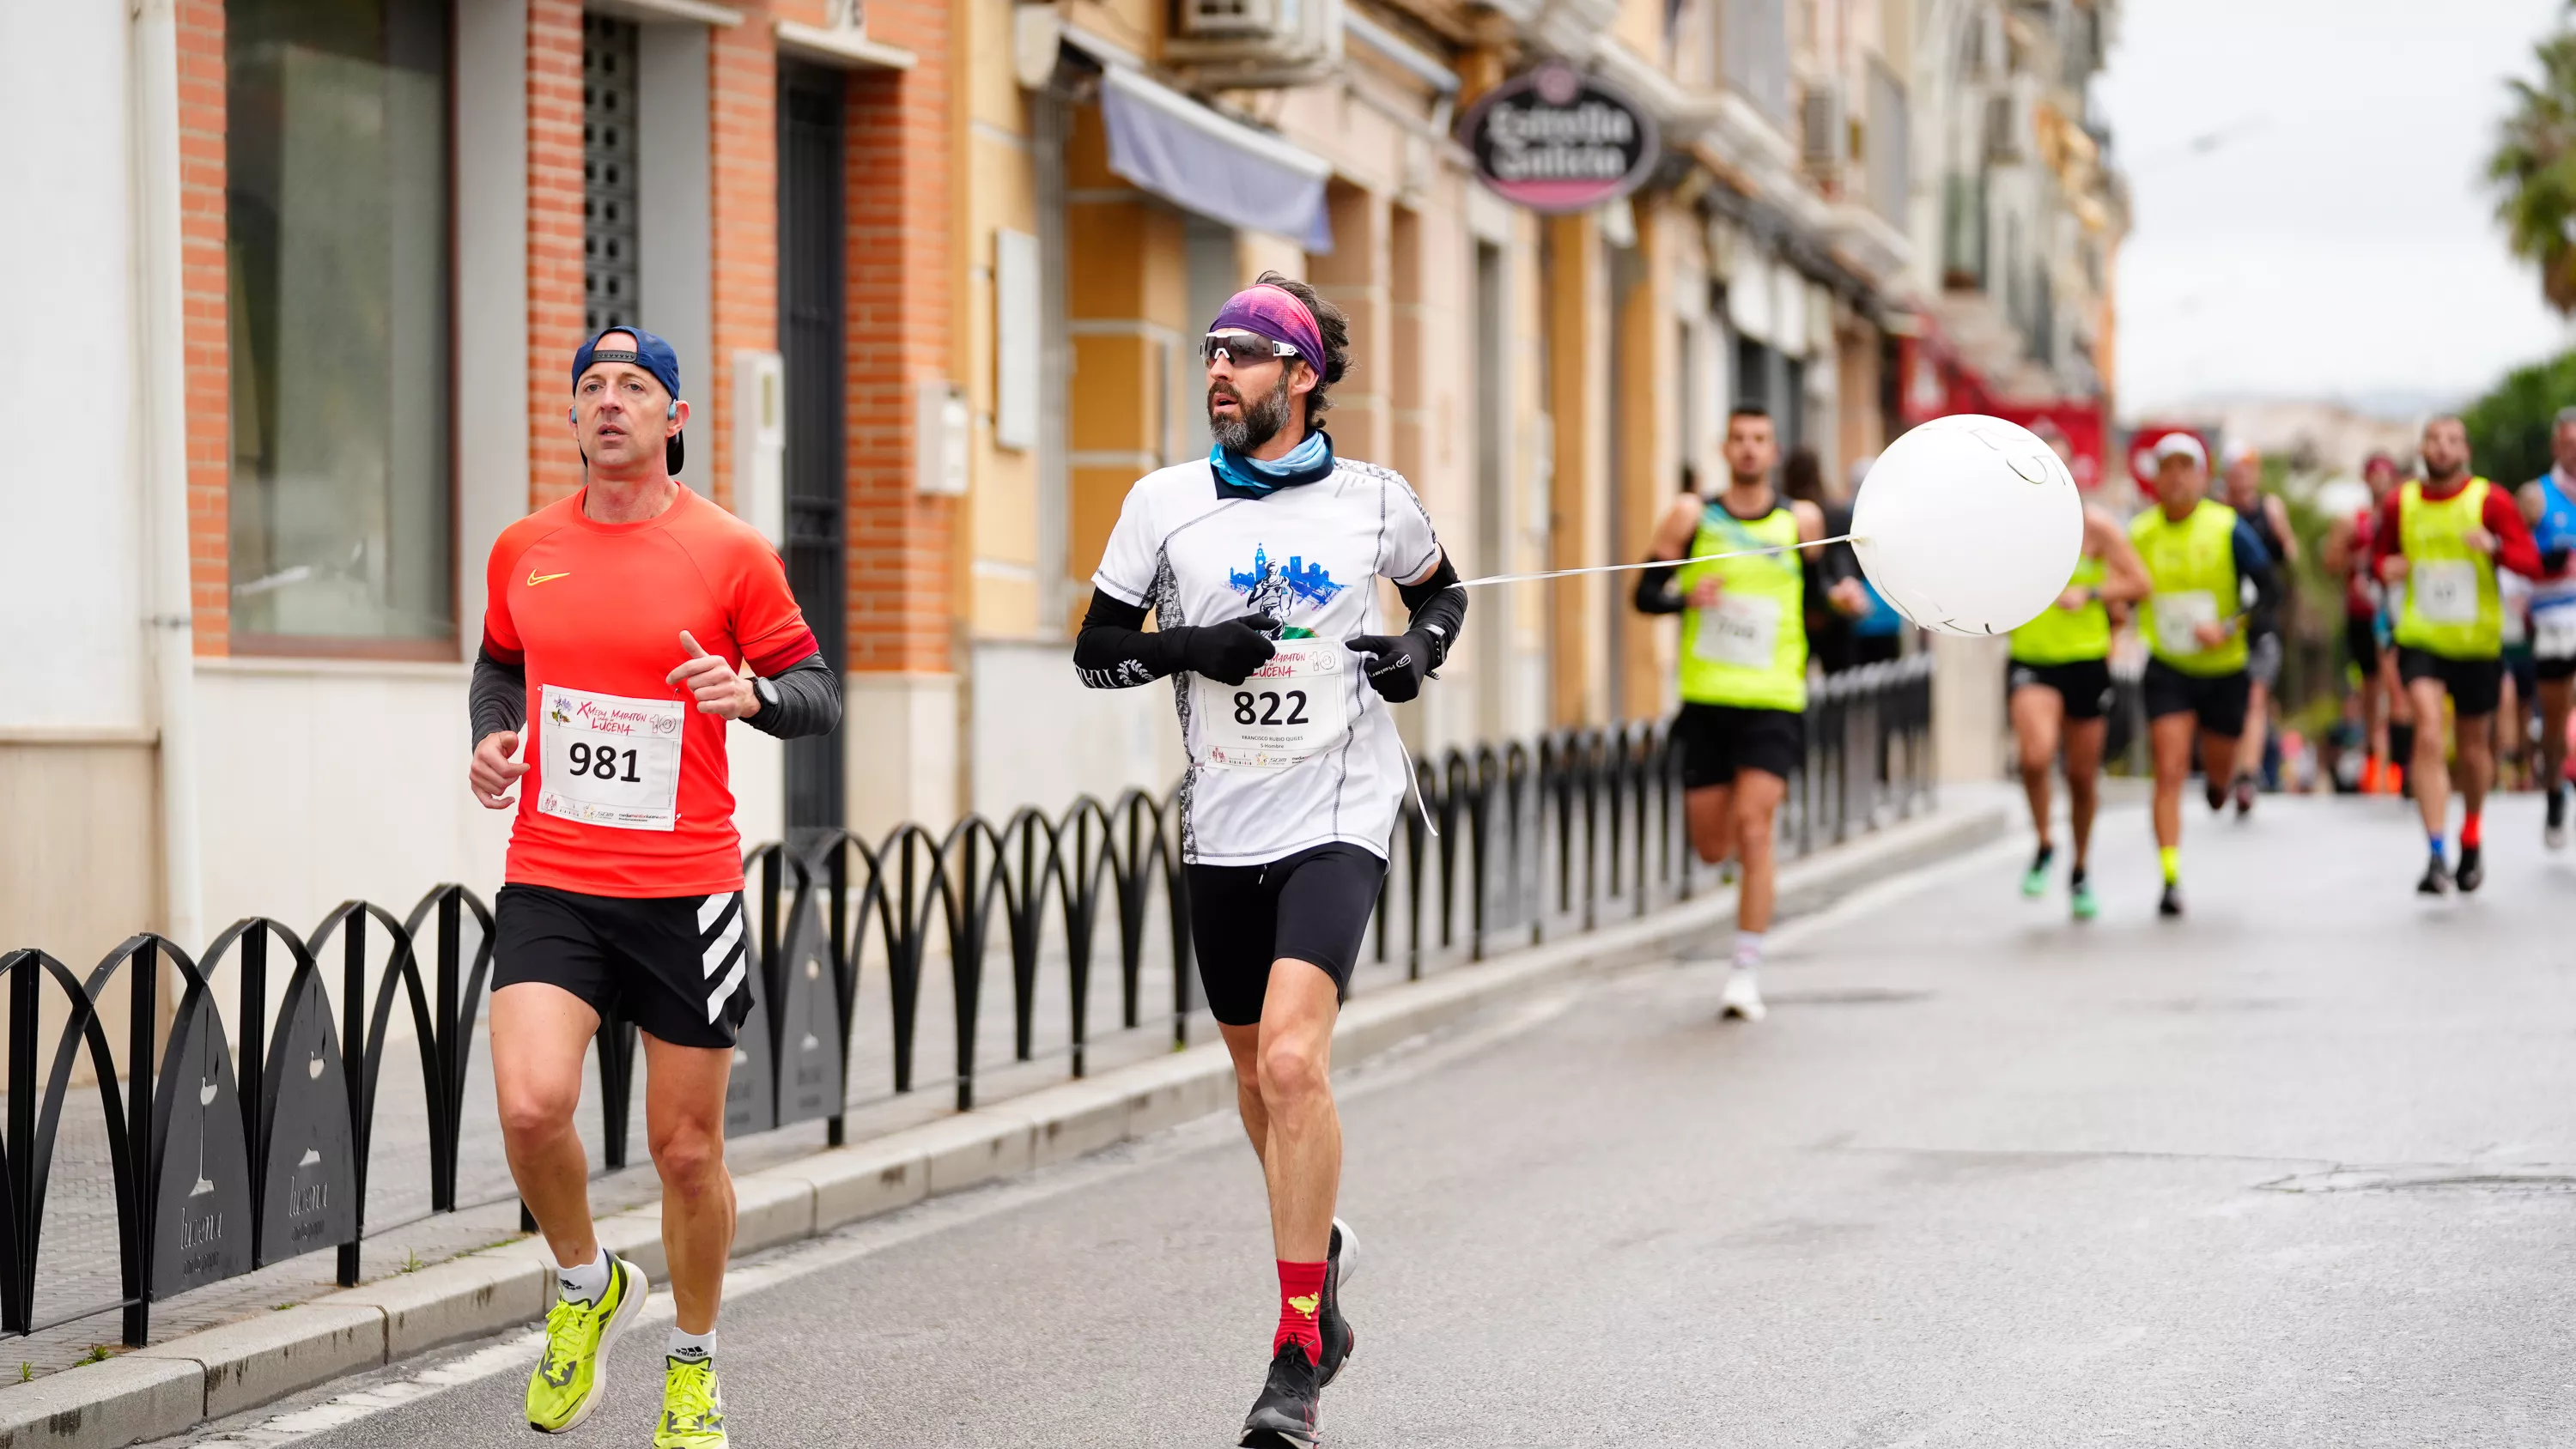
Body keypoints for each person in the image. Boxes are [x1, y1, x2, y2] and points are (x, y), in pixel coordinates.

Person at [1072, 275, 1463, 1449]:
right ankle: (1321, 1245)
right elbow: (1095, 650)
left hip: (1340, 802)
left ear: (1303, 377)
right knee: (1253, 1076)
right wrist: (1193, 644)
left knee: (1293, 1064)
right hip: (1223, 818)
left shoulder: (1375, 501)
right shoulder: (1164, 504)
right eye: (1210, 354)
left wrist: (1414, 656)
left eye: (1242, 356)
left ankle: (1296, 1351)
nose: (1217, 375)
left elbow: (1442, 598)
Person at [470, 328, 842, 1448]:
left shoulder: (727, 552)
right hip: (553, 877)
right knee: (532, 1107)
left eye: (636, 387)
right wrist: (495, 739)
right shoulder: (524, 548)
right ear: (572, 417)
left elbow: (816, 688)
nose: (611, 402)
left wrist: (752, 697)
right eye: (592, 386)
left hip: (687, 888)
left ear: (675, 417)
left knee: (687, 1153)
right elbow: (499, 663)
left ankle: (694, 1362)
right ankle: (588, 1287)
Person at [1634, 407, 1830, 1020]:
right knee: (1715, 846)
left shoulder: (1800, 520)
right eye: (1739, 440)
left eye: (1760, 441)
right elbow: (1643, 593)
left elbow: (1822, 599)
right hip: (1708, 700)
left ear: (1773, 453)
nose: (1749, 450)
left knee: (1755, 826)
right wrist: (1683, 595)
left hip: (1775, 699)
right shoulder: (1695, 515)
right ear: (1725, 448)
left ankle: (1746, 970)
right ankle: (1741, 887)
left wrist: (1845, 603)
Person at [2372, 415, 2543, 894]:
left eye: (2451, 441)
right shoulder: (2400, 502)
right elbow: (2378, 558)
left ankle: (2470, 834)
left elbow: (2529, 560)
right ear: (2422, 447)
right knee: (2427, 731)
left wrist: (2495, 547)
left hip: (2475, 642)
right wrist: (2386, 566)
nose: (2442, 449)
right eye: (2433, 439)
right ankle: (2434, 852)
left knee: (2472, 749)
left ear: (2465, 450)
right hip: (2422, 637)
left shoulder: (2490, 500)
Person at [2129, 432, 2279, 918]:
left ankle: (2219, 785)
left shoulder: (2228, 527)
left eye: (2185, 467)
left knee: (2217, 775)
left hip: (2223, 667)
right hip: (2167, 665)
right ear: (2154, 477)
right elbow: (2122, 585)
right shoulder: (2141, 531)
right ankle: (2170, 878)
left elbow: (2271, 590)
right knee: (2168, 769)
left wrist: (2231, 625)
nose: (2175, 478)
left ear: (2201, 475)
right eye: (2166, 468)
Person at [2007, 503, 2150, 919]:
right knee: (2035, 756)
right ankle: (2045, 842)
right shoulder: (2012, 527)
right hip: (2032, 658)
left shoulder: (2097, 528)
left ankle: (2081, 868)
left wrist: (2091, 593)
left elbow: (2141, 584)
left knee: (2082, 776)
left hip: (2086, 661)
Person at [2221, 440, 2300, 815]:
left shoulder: (2270, 509)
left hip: (2261, 618)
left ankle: (2247, 777)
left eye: (2249, 467)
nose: (2243, 475)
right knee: (2229, 704)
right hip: (2222, 622)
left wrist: (2281, 531)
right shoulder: (2215, 513)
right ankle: (2228, 770)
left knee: (2255, 698)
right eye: (2236, 468)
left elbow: (2289, 559)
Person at [2324, 452, 2403, 793]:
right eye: (2375, 476)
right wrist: (2349, 549)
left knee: (2396, 683)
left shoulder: (2405, 516)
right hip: (2362, 613)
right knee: (2370, 688)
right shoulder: (2353, 521)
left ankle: (2399, 760)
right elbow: (2331, 563)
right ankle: (2375, 757)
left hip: (2396, 612)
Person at [2516, 407, 2576, 846]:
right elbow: (2513, 566)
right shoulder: (2535, 497)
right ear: (2557, 446)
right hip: (2554, 620)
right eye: (2570, 444)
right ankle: (2554, 786)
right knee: (2555, 722)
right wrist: (2545, 566)